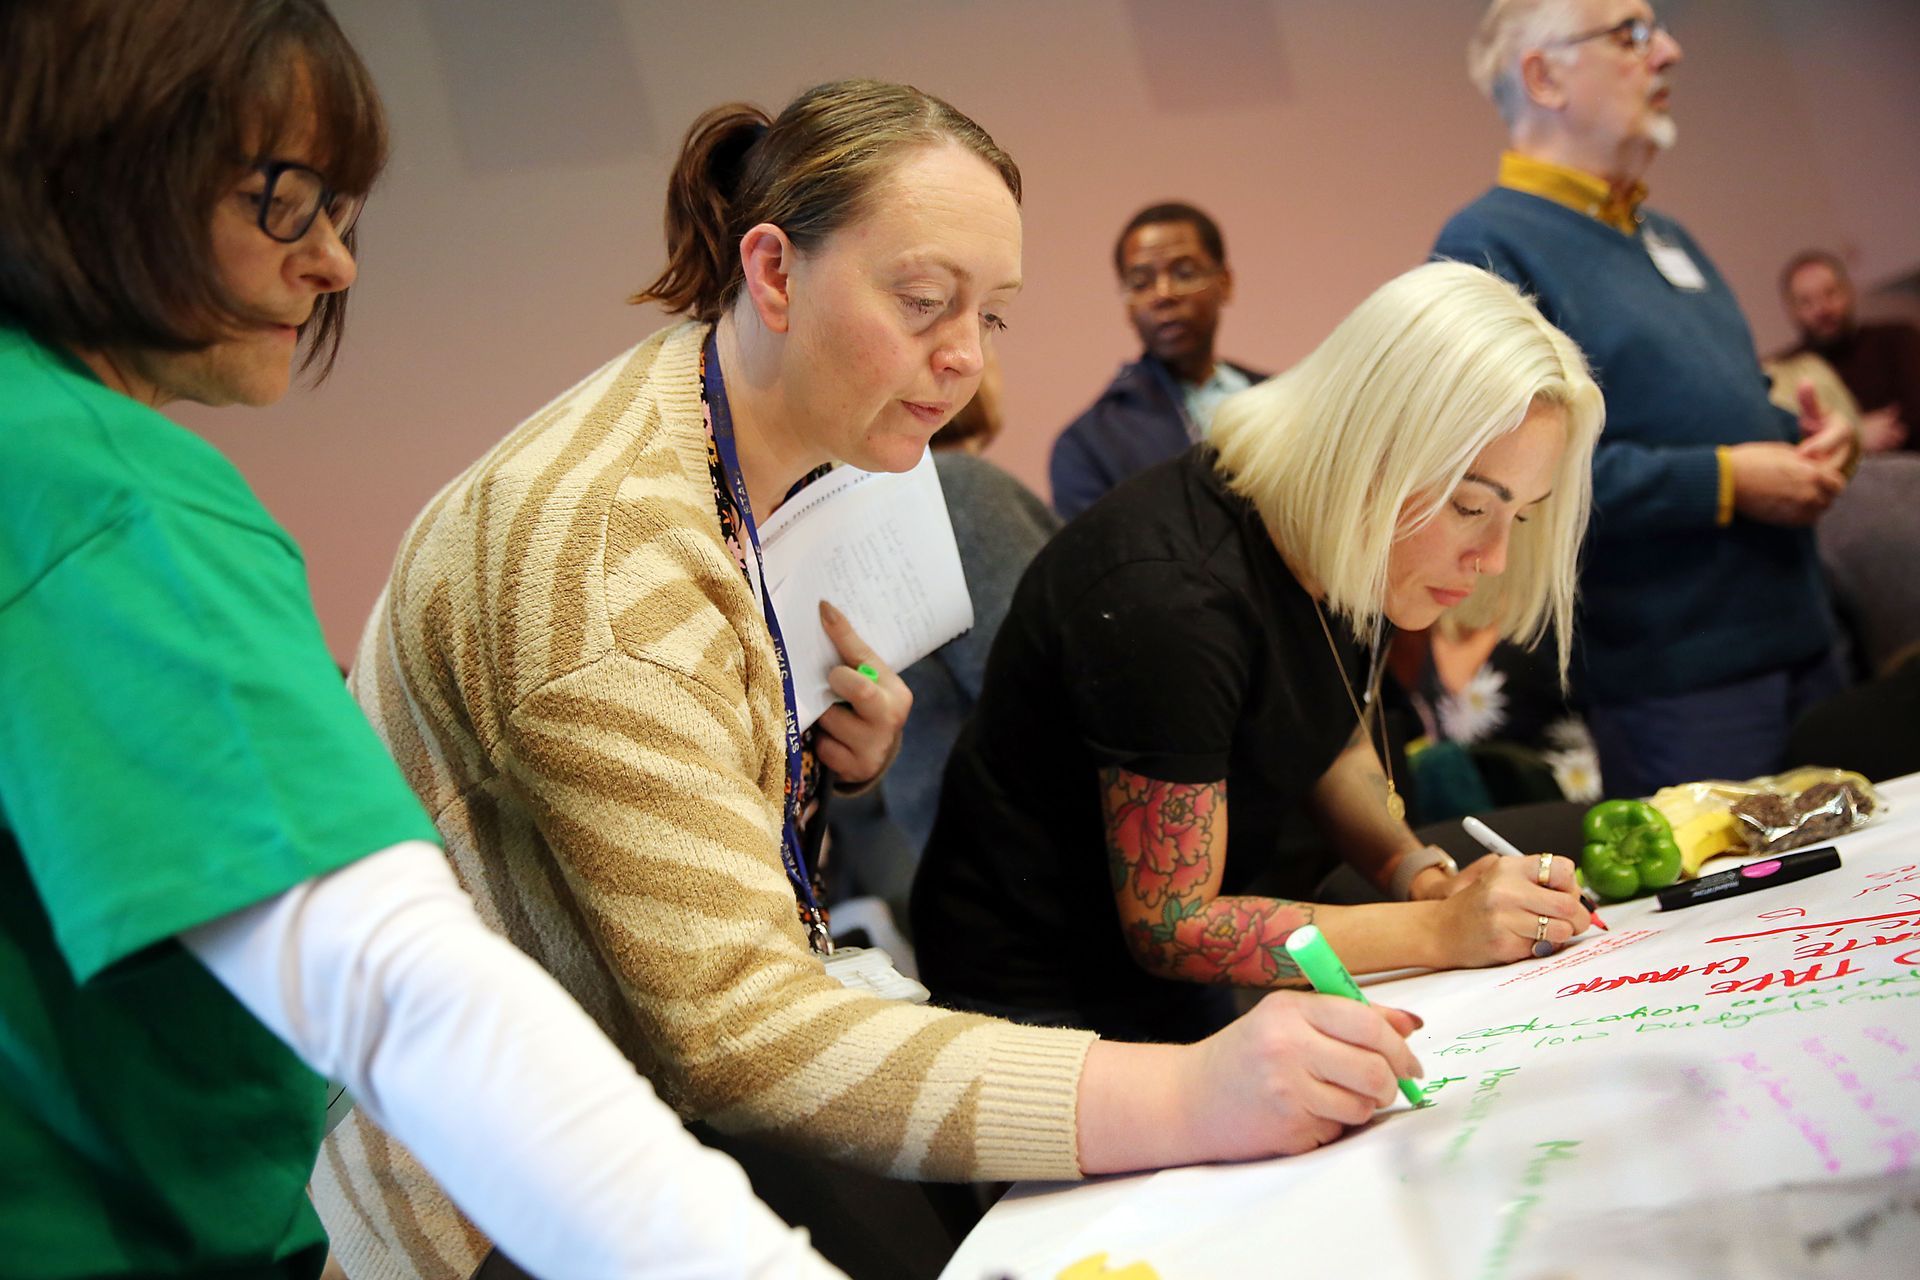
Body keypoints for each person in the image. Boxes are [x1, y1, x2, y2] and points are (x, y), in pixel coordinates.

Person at [314, 80, 1428, 1276]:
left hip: (599, 1114)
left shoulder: (761, 435)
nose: (959, 358)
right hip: (480, 1201)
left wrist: (799, 740)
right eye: (920, 301)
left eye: (990, 314)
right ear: (775, 271)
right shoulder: (609, 557)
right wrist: (1191, 1093)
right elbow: (736, 1025)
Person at [0, 2, 840, 1277]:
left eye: (346, 214)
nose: (335, 265)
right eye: (286, 198)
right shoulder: (106, 491)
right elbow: (395, 985)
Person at [912, 261, 1602, 1043]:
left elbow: (1326, 730)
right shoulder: (1173, 598)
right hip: (1040, 1002)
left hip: (1175, 972)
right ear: (1371, 456)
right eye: (1472, 505)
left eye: (1519, 516)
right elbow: (1176, 926)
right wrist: (1442, 933)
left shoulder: (1338, 537)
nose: (1493, 558)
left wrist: (1420, 875)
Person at [1434, 0, 1854, 798]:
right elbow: (1516, 482)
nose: (1669, 50)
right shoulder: (1485, 247)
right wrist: (1729, 481)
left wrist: (1815, 443)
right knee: (1744, 921)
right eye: (1630, 33)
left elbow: (1715, 409)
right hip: (1679, 679)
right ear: (1544, 75)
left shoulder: (1665, 233)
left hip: (1805, 636)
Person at [829, 349, 1060, 925]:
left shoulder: (865, 516)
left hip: (935, 878)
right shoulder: (959, 493)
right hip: (1018, 892)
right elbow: (1051, 704)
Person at [1049, 202, 1266, 519]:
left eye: (1184, 273)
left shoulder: (1285, 399)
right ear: (1126, 304)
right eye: (1140, 282)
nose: (1163, 294)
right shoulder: (1089, 445)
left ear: (1225, 283)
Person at [1777, 249, 1920, 454]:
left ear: (1849, 291)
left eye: (1830, 293)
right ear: (1792, 310)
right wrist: (1857, 434)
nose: (1822, 309)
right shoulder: (1786, 370)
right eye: (1806, 302)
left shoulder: (1898, 338)